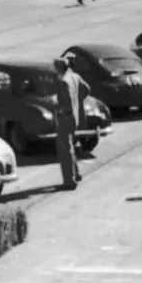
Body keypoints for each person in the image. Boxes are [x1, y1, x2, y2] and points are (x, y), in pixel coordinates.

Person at [52, 57, 90, 190]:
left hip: (65, 118)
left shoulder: (63, 81)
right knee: (70, 146)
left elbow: (65, 102)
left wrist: (59, 110)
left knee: (64, 150)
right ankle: (76, 173)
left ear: (59, 67)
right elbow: (86, 89)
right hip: (74, 117)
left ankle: (69, 180)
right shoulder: (75, 76)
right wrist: (77, 102)